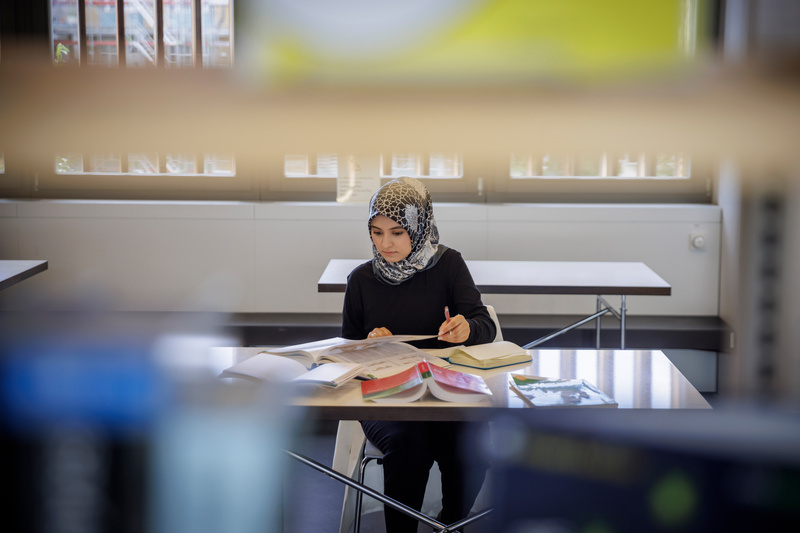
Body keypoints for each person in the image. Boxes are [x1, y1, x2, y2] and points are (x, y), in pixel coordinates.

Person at [341, 177, 495, 532]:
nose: (386, 243)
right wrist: (368, 343)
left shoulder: (449, 265)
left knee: (467, 447)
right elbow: (346, 351)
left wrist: (466, 329)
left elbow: (483, 324)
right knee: (409, 447)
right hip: (386, 395)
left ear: (420, 225)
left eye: (397, 232)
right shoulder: (361, 280)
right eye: (376, 232)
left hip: (447, 392)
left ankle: (449, 526)